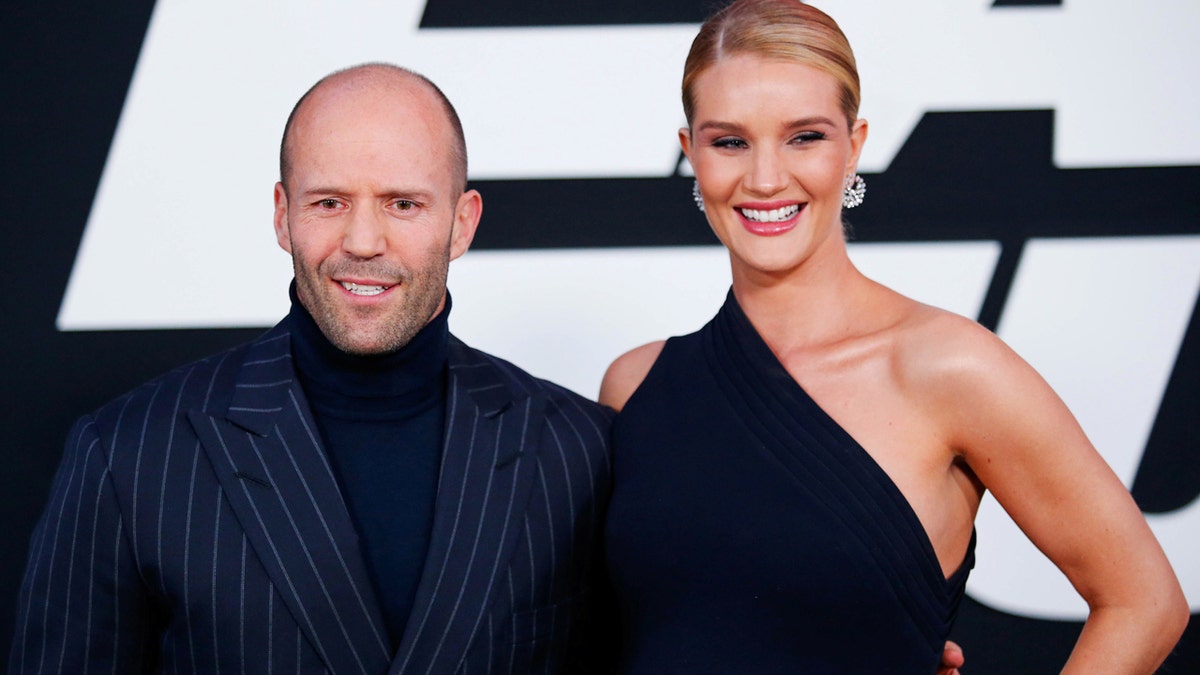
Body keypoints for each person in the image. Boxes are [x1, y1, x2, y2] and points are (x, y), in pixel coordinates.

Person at [599, 1, 1189, 673]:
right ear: (691, 154)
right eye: (729, 140)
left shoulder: (950, 368)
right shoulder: (634, 385)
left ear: (854, 146)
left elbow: (1144, 600)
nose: (765, 178)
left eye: (805, 137)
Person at [9, 63, 613, 674]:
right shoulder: (128, 455)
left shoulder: (580, 451)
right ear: (282, 214)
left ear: (462, 223)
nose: (363, 241)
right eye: (330, 201)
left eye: (403, 203)